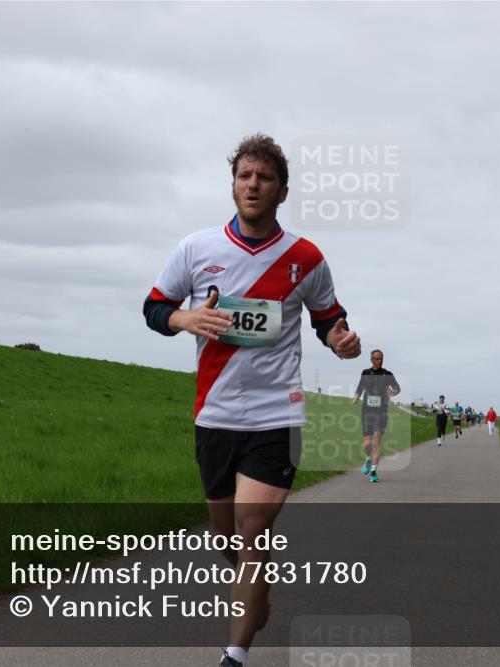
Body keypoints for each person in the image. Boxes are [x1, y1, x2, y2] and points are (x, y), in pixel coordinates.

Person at [143, 134, 361, 667]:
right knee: (229, 541)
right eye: (245, 176)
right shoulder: (196, 249)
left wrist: (340, 340)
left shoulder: (306, 258)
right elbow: (154, 308)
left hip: (275, 414)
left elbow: (328, 317)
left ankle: (235, 654)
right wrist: (185, 318)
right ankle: (254, 598)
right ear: (233, 185)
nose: (253, 185)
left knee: (253, 526)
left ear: (282, 191)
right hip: (215, 414)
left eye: (265, 178)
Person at [351, 349, 401, 483]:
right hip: (367, 411)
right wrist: (356, 398)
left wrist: (393, 392)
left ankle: (373, 471)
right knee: (367, 443)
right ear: (371, 360)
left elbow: (397, 388)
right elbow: (360, 387)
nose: (380, 361)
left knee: (377, 439)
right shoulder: (365, 373)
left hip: (381, 412)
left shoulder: (387, 374)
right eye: (377, 359)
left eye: (381, 359)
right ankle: (368, 458)